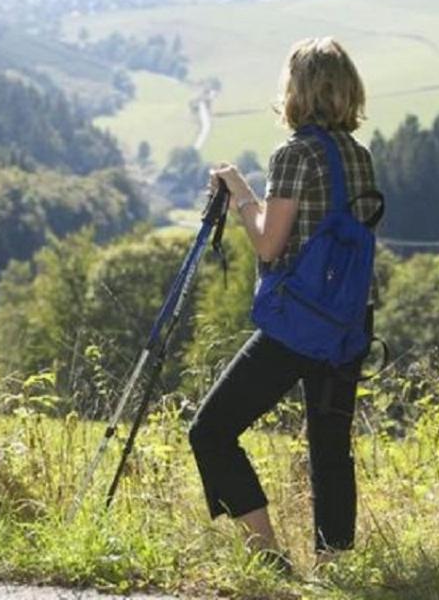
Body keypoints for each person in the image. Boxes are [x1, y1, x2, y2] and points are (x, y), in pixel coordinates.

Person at [188, 36, 379, 573]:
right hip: (348, 321)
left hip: (297, 324)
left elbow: (270, 243)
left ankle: (267, 556)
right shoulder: (358, 157)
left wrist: (240, 191)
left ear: (297, 91)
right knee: (330, 451)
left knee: (211, 430)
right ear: (347, 91)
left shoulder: (295, 154)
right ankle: (333, 572)